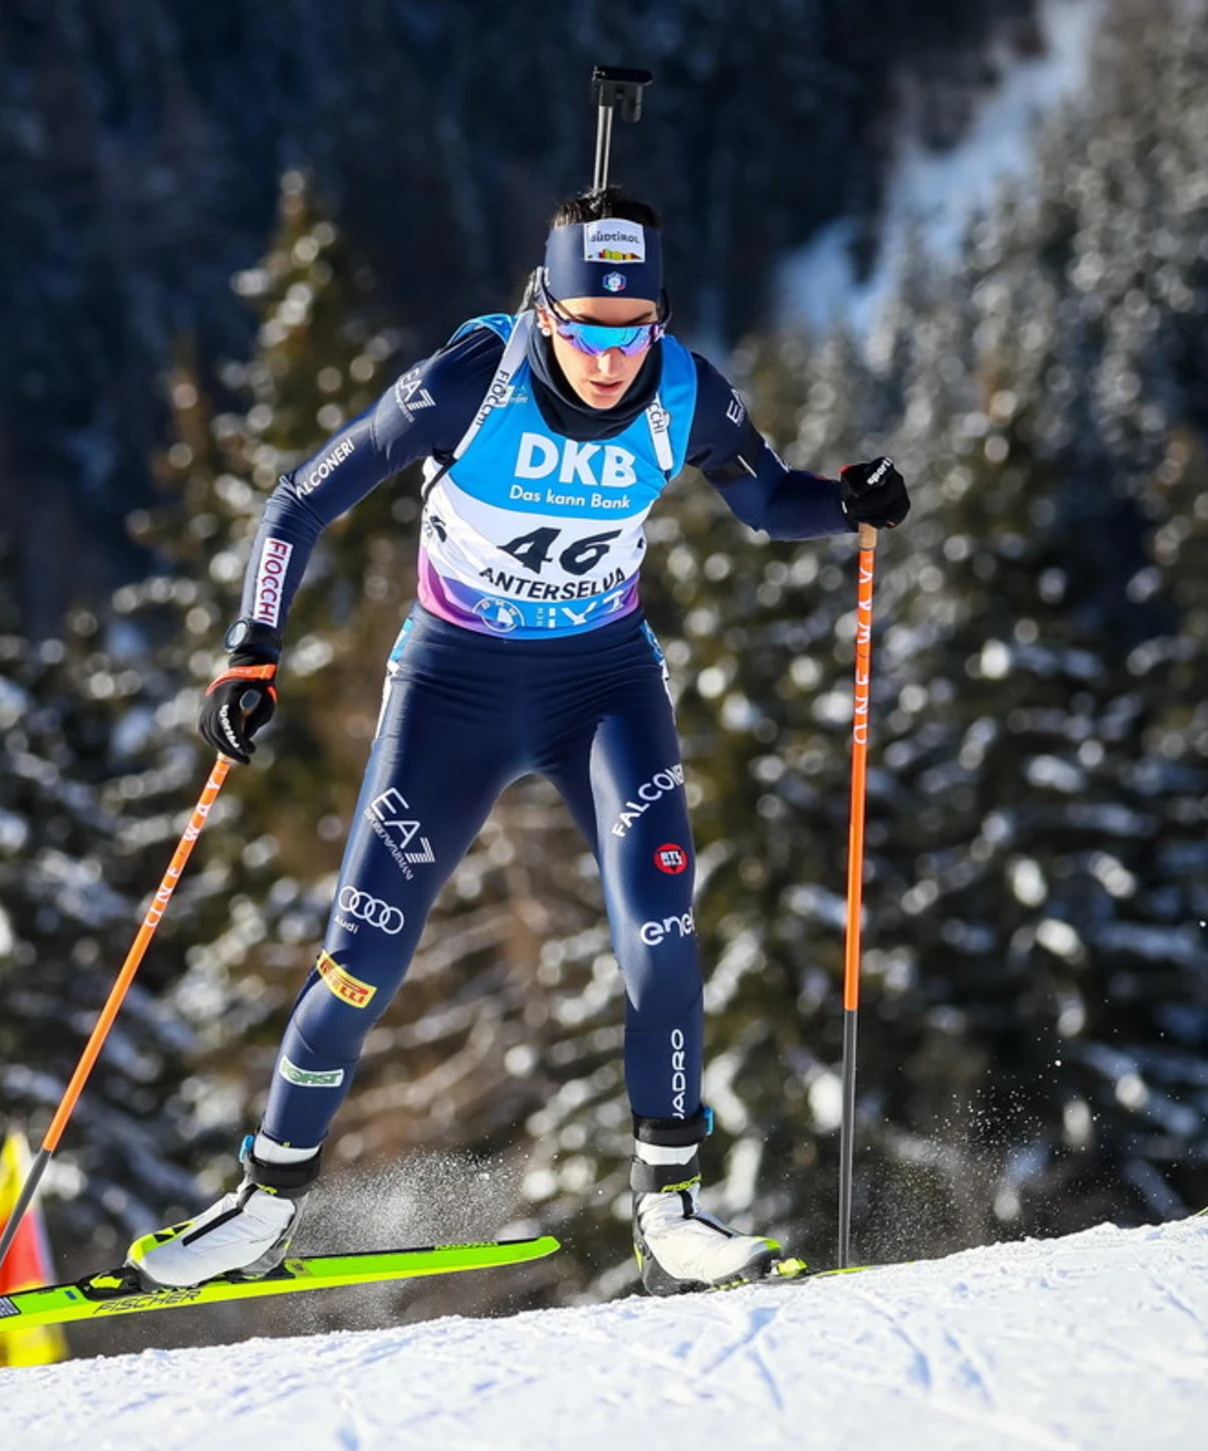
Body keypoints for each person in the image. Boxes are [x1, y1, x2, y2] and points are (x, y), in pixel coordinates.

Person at [130, 186, 911, 1296]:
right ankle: (264, 1202)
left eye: (630, 328)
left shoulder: (685, 393)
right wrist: (250, 650)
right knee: (361, 960)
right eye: (586, 328)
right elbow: (296, 503)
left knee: (661, 939)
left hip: (602, 686)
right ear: (545, 310)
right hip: (452, 685)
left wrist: (847, 500)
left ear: (658, 319)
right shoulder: (465, 383)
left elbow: (768, 499)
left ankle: (669, 1209)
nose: (607, 356)